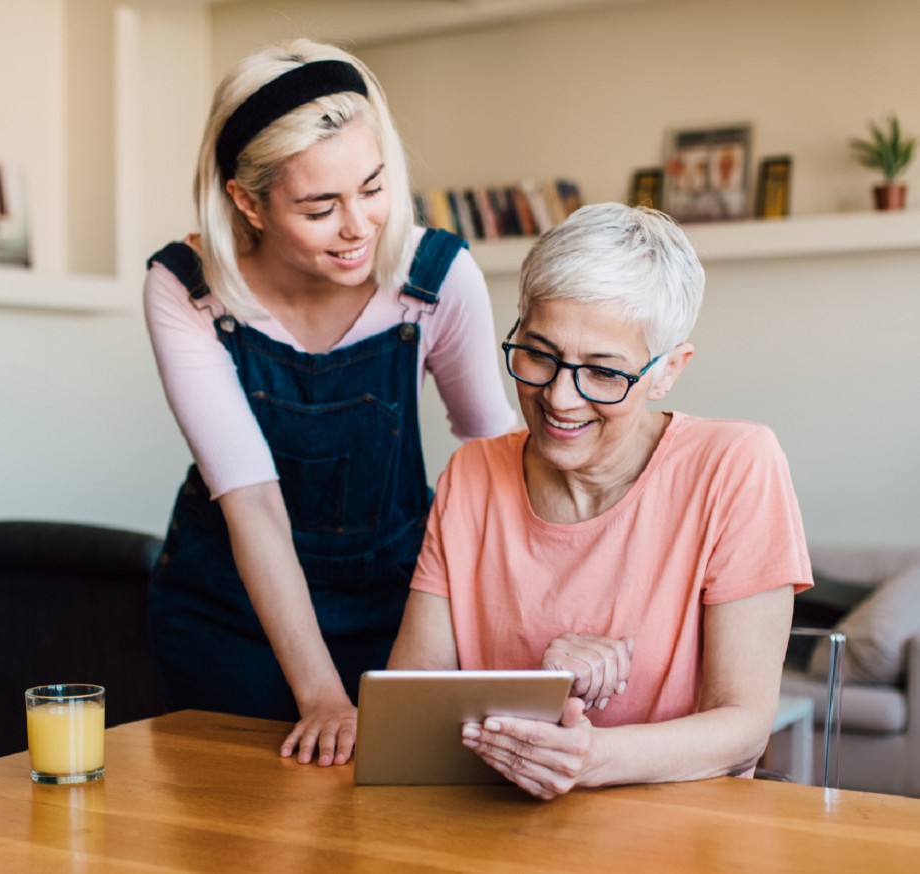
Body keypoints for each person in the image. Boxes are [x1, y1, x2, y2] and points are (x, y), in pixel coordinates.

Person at [143, 39, 517, 768]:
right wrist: (320, 694)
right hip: (228, 612)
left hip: (400, 606)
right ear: (246, 202)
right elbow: (251, 502)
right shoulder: (186, 290)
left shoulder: (435, 278)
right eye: (320, 206)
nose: (358, 226)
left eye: (372, 188)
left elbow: (494, 462)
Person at [387, 202, 812, 799]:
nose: (560, 398)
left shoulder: (736, 465)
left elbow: (742, 727)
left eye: (604, 372)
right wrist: (539, 686)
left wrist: (590, 759)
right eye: (538, 353)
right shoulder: (473, 472)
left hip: (683, 834)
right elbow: (408, 704)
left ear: (667, 371)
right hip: (494, 824)